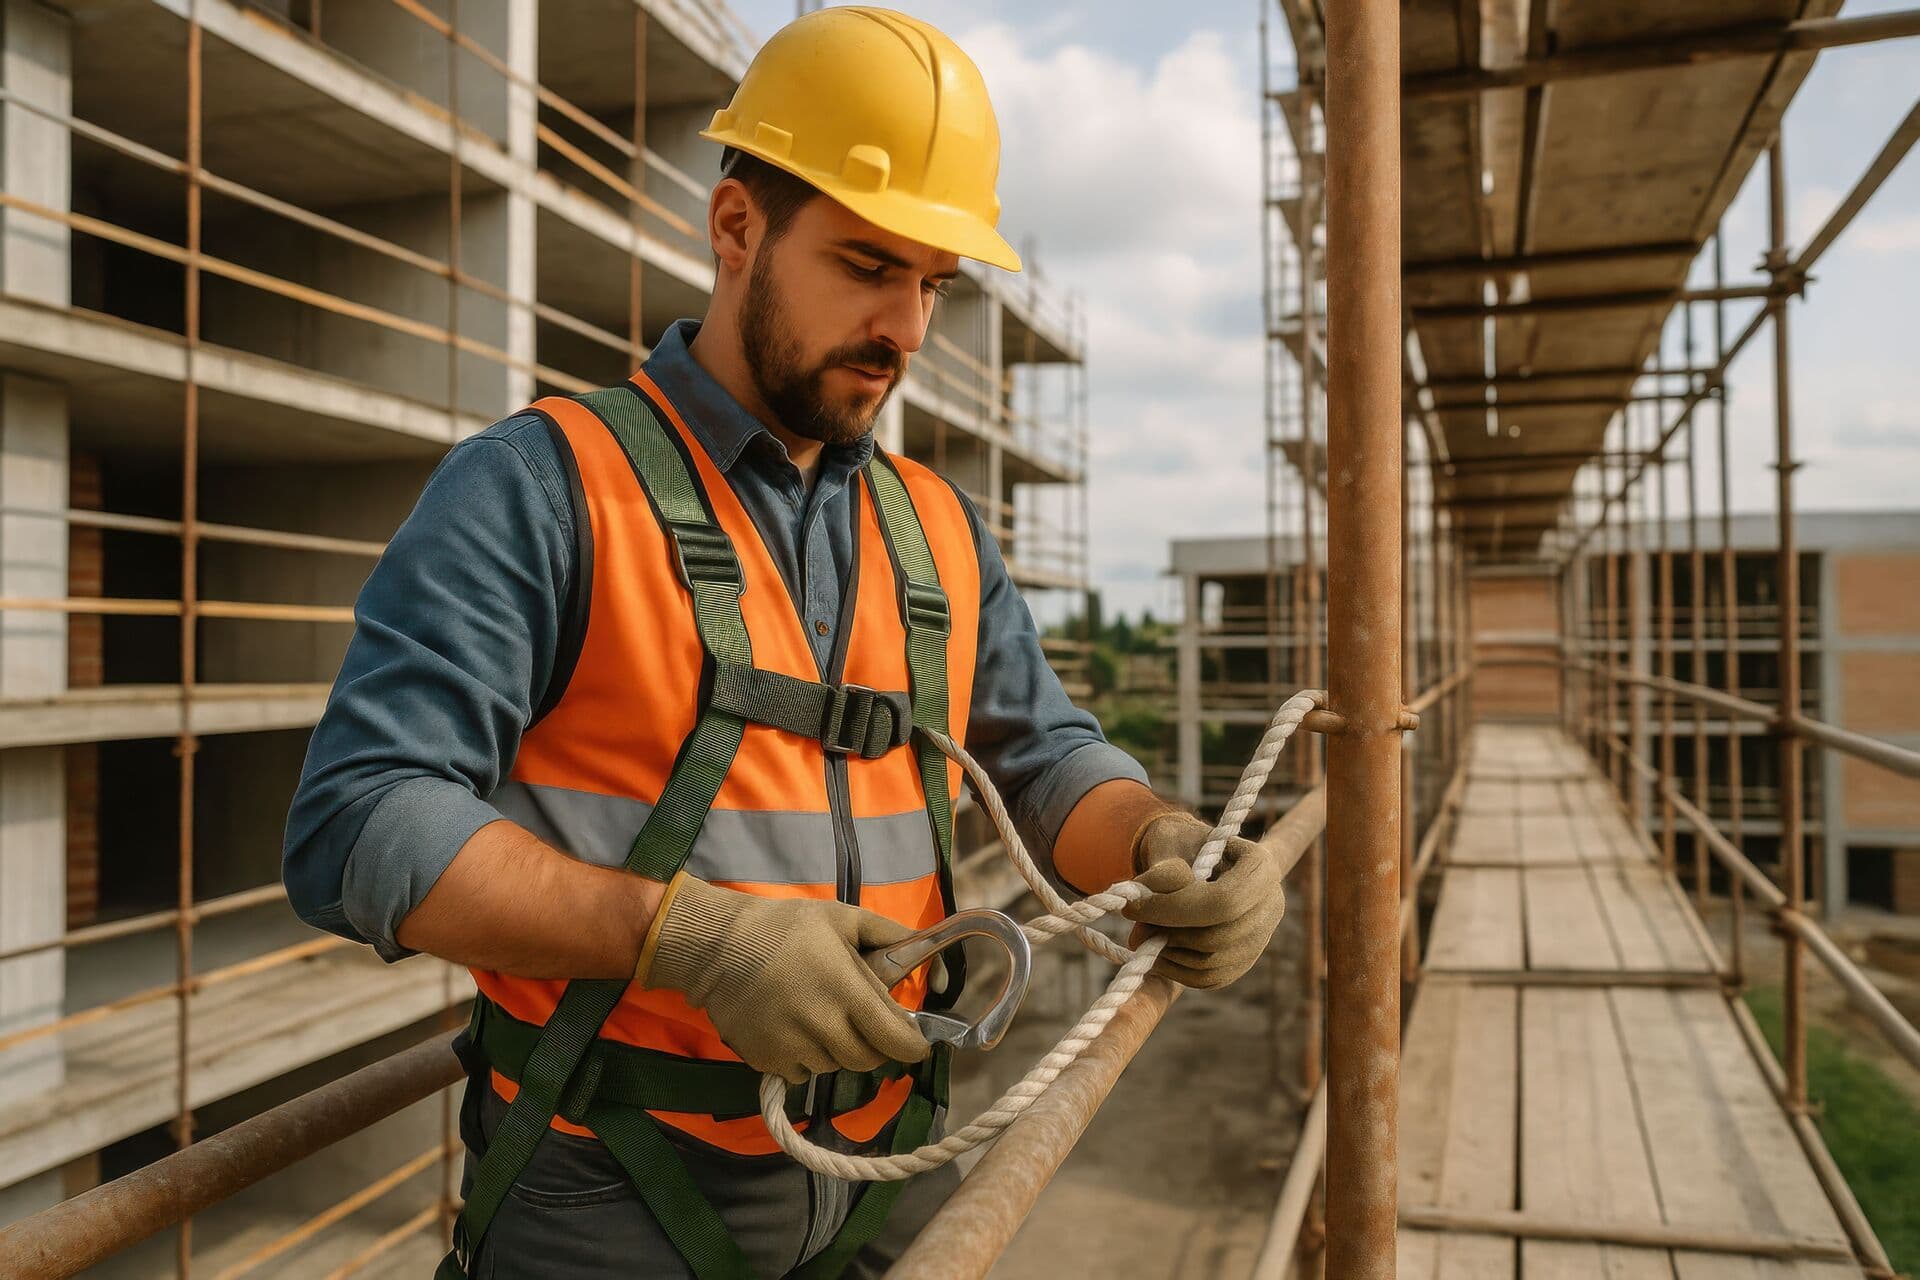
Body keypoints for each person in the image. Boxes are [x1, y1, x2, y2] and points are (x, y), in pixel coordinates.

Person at [282, 8, 1288, 1276]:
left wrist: (1158, 838)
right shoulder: (542, 489)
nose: (909, 331)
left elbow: (1041, 760)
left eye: (933, 284)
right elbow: (358, 822)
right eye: (869, 265)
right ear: (737, 226)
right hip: (609, 1196)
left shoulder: (936, 531)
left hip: (884, 1167)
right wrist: (685, 938)